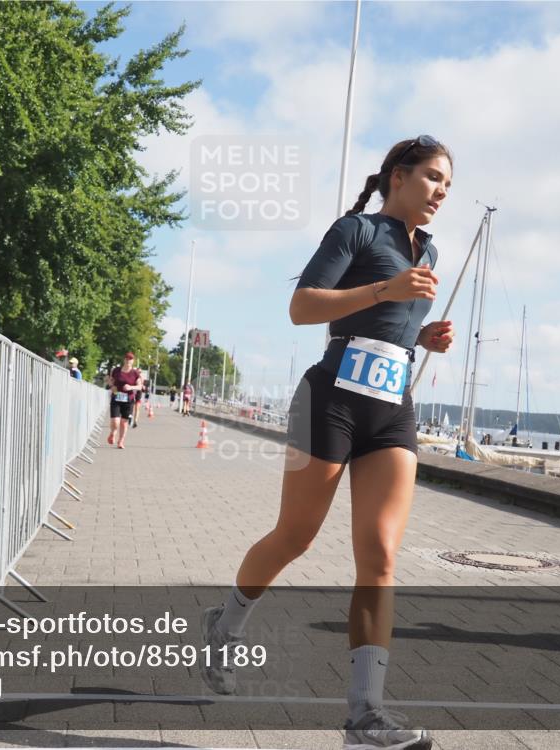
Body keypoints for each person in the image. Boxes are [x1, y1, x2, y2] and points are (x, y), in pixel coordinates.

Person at [199, 136, 455, 750]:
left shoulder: (430, 246)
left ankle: (364, 718)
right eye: (432, 178)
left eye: (448, 183)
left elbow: (389, 326)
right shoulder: (357, 232)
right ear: (398, 176)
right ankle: (225, 624)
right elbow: (303, 307)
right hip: (330, 399)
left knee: (381, 558)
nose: (442, 191)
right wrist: (385, 293)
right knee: (296, 535)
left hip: (391, 407)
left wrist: (424, 340)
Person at [107, 352, 143, 448]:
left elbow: (140, 386)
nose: (128, 360)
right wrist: (112, 386)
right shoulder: (116, 370)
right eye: (126, 358)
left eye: (130, 359)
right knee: (115, 421)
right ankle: (112, 433)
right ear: (124, 359)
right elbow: (110, 380)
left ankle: (121, 441)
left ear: (133, 361)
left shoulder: (135, 373)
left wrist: (131, 387)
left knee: (124, 422)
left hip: (128, 400)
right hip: (116, 398)